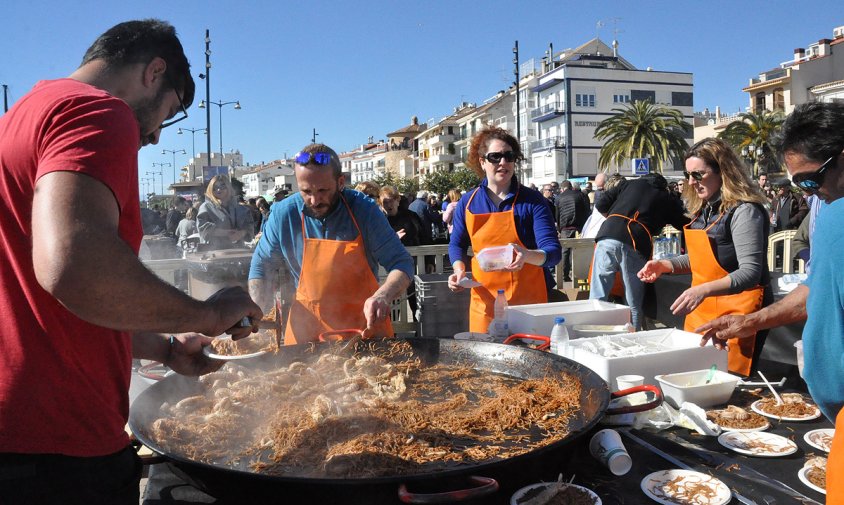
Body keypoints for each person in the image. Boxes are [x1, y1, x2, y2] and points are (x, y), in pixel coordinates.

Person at [0, 19, 261, 505]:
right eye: (171, 109)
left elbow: (53, 304)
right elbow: (74, 267)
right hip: (60, 449)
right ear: (153, 71)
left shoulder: (19, 116)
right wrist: (206, 314)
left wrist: (163, 349)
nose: (160, 135)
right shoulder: (95, 110)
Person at [694, 102, 844, 501]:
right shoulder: (827, 207)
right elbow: (815, 289)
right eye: (800, 186)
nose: (809, 194)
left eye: (812, 180)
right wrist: (750, 323)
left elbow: (749, 268)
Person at [248, 144, 414, 344]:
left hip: (364, 331)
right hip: (305, 334)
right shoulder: (283, 214)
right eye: (306, 191)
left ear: (341, 181)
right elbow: (261, 267)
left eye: (323, 190)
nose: (315, 200)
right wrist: (255, 311)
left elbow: (402, 263)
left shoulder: (364, 211)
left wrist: (383, 296)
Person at [637, 138, 772, 376]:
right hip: (703, 307)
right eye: (688, 175)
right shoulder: (705, 209)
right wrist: (665, 265)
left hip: (739, 310)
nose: (691, 182)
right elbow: (701, 259)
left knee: (729, 378)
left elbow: (750, 272)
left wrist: (702, 290)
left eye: (698, 175)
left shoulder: (745, 211)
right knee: (698, 374)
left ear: (723, 171)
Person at [447, 127, 561, 333]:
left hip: (528, 305)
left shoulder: (533, 201)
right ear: (482, 162)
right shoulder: (468, 202)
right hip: (484, 304)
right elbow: (457, 243)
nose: (503, 162)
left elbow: (553, 252)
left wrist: (526, 255)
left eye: (509, 156)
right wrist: (458, 270)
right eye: (495, 157)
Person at [590, 173, 689, 330]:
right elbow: (683, 223)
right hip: (634, 242)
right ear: (664, 185)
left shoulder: (628, 184)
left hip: (606, 237)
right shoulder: (665, 196)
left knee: (598, 296)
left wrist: (615, 220)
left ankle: (590, 333)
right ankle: (633, 338)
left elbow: (601, 204)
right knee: (633, 302)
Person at [379, 185, 423, 321]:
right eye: (385, 202)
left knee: (416, 299)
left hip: (414, 264)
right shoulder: (379, 221)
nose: (389, 204)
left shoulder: (411, 216)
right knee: (393, 300)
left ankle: (419, 329)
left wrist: (428, 261)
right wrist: (393, 238)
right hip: (391, 267)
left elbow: (424, 237)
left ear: (398, 200)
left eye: (391, 200)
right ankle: (393, 333)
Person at [197, 174, 254, 250]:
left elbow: (249, 226)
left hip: (237, 251)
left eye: (222, 186)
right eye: (215, 188)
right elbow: (203, 228)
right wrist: (226, 233)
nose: (218, 190)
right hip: (213, 252)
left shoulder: (240, 208)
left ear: (228, 187)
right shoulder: (206, 207)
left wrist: (241, 233)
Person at [555, 180, 590, 282]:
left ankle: (564, 276)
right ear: (571, 187)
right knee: (577, 251)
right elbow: (586, 211)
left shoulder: (559, 198)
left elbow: (557, 215)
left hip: (565, 228)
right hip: (578, 227)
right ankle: (577, 275)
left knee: (565, 251)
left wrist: (559, 229)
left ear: (562, 188)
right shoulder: (580, 195)